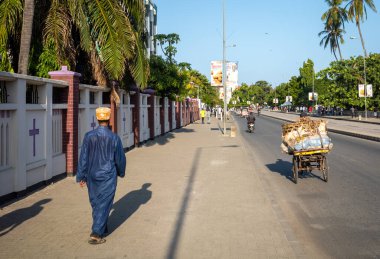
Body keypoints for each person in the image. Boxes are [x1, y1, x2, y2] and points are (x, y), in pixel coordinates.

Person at [77, 107, 126, 245]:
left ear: (97, 119)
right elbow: (120, 159)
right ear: (109, 118)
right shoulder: (114, 137)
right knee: (104, 203)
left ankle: (101, 226)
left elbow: (83, 158)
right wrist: (121, 172)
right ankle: (96, 233)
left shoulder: (88, 136)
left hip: (92, 175)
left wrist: (81, 175)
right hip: (108, 175)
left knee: (96, 202)